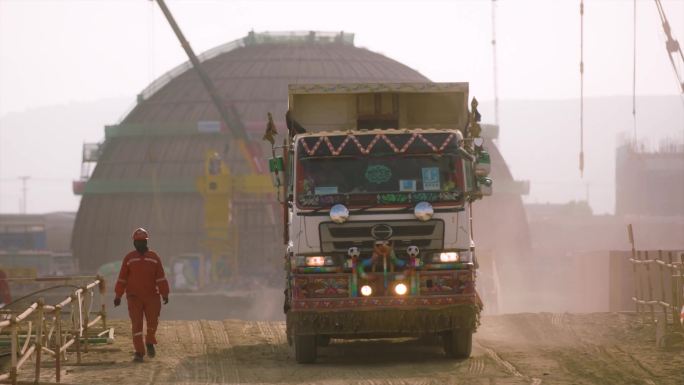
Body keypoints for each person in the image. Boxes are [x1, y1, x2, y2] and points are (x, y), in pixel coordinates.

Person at [114, 228, 169, 362]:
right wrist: (118, 295)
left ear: (146, 241)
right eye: (137, 242)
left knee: (153, 322)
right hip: (134, 297)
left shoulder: (154, 257)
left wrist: (164, 293)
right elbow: (122, 278)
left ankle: (150, 341)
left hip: (152, 296)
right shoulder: (129, 258)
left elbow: (161, 277)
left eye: (142, 241)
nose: (139, 244)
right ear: (134, 243)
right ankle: (139, 352)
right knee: (136, 324)